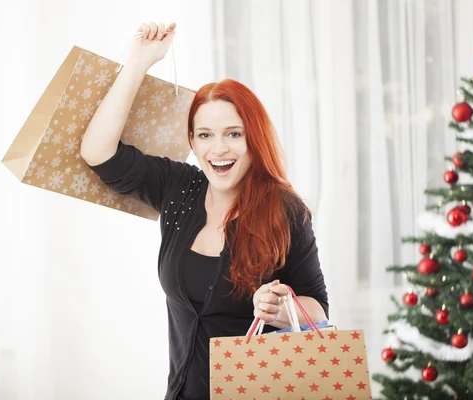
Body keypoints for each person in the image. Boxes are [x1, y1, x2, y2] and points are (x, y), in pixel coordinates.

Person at [80, 21, 328, 400]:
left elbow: (318, 307)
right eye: (206, 135)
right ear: (192, 141)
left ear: (253, 138)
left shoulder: (284, 209)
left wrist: (279, 307)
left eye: (233, 134)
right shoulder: (180, 188)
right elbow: (98, 153)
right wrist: (138, 63)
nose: (219, 150)